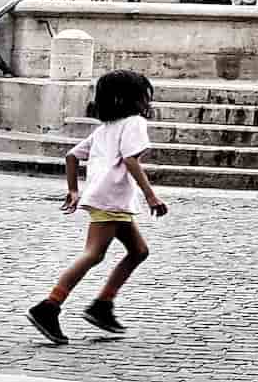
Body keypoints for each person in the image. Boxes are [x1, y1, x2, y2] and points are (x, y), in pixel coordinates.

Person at [26, 69, 167, 345]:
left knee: (138, 251)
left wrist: (73, 190)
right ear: (135, 98)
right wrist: (151, 196)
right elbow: (131, 160)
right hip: (112, 197)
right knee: (93, 254)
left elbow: (71, 156)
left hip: (108, 198)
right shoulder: (134, 123)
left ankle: (102, 305)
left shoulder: (106, 128)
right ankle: (49, 306)